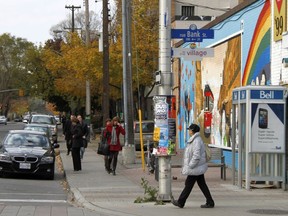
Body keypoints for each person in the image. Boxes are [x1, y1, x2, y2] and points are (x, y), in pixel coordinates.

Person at [172, 123, 215, 208]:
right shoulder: (194, 139)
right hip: (197, 167)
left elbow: (196, 155)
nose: (189, 131)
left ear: (192, 131)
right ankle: (210, 202)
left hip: (195, 167)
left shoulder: (196, 141)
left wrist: (191, 165)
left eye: (189, 130)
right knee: (202, 184)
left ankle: (181, 202)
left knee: (188, 184)